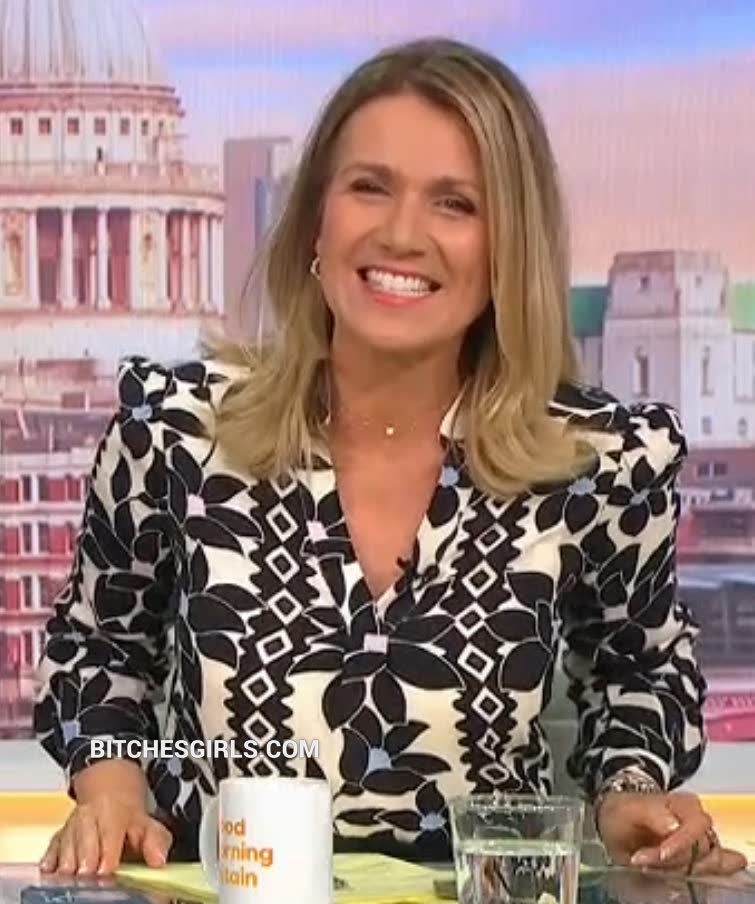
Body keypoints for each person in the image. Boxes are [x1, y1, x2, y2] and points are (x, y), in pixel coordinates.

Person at [33, 37, 746, 878]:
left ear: (508, 247)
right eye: (369, 187)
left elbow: (637, 674)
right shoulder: (176, 431)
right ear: (316, 219)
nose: (402, 234)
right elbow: (101, 652)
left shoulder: (602, 463)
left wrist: (629, 795)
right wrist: (113, 791)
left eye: (455, 203)